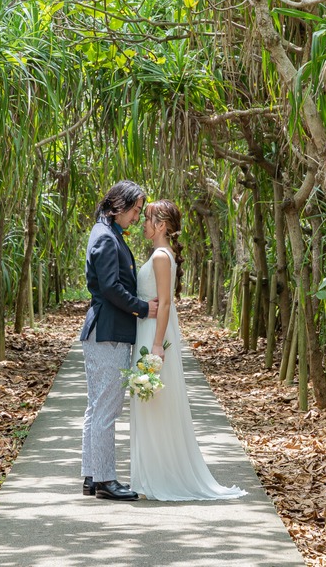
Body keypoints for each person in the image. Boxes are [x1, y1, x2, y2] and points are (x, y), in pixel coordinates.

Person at [130, 199, 245, 501]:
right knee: (151, 402)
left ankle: (158, 477)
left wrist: (157, 344)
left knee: (154, 403)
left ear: (161, 225)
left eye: (147, 219)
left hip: (154, 334)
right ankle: (152, 476)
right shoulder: (162, 254)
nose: (143, 224)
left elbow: (166, 302)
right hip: (149, 329)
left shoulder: (160, 256)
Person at [80, 180, 158, 501]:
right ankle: (105, 481)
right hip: (108, 332)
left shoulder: (106, 233)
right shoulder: (105, 237)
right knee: (106, 409)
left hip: (105, 331)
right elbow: (111, 287)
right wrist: (143, 308)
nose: (137, 218)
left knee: (97, 406)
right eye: (136, 210)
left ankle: (92, 475)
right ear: (119, 206)